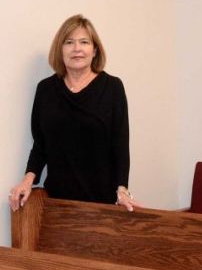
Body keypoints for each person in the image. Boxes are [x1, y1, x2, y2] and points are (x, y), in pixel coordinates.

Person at [8, 14, 138, 212]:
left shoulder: (112, 88)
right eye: (69, 42)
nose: (77, 48)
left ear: (94, 50)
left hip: (101, 204)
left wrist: (122, 190)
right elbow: (40, 145)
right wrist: (27, 180)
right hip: (57, 204)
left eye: (84, 42)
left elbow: (120, 146)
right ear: (60, 50)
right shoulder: (45, 90)